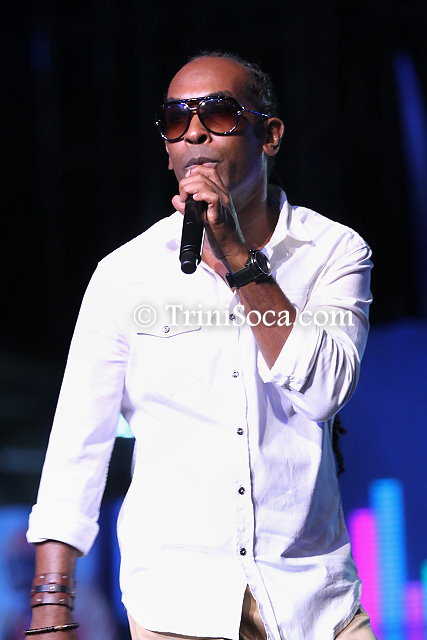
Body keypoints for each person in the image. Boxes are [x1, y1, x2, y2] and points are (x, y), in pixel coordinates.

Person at [26, 51, 375, 639]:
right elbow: (76, 445)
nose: (193, 132)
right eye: (175, 120)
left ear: (270, 135)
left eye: (217, 114)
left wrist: (238, 256)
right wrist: (50, 607)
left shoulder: (333, 252)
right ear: (167, 151)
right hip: (177, 606)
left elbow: (324, 391)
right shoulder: (125, 274)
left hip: (314, 603)